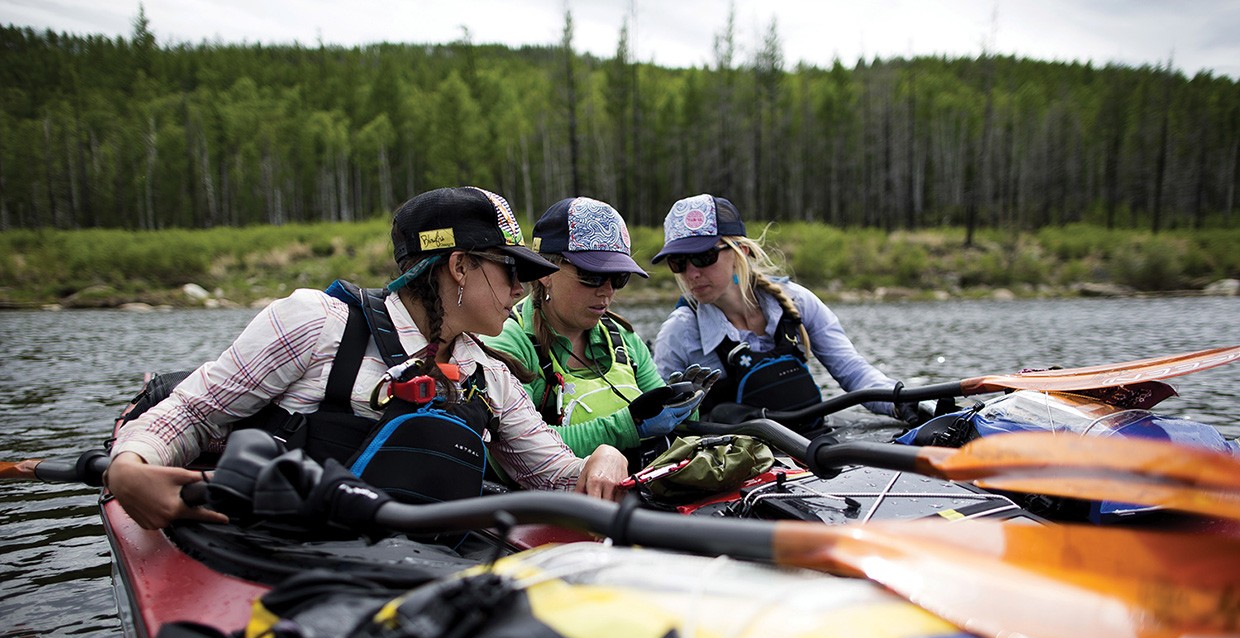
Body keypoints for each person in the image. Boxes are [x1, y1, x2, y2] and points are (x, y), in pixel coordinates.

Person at [107, 186, 630, 530]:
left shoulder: (490, 376)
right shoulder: (316, 322)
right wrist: (129, 469)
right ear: (460, 266)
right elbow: (193, 413)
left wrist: (602, 459)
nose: (522, 288)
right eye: (513, 270)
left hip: (401, 570)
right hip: (280, 552)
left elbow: (556, 477)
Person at [651, 193, 920, 425]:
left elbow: (854, 372)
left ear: (741, 251)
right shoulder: (678, 333)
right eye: (678, 262)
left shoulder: (797, 302)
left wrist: (905, 404)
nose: (692, 273)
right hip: (736, 460)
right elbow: (660, 421)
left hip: (809, 444)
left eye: (703, 257)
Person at [483, 196, 714, 465]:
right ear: (545, 272)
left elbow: (670, 427)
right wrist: (629, 426)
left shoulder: (625, 339)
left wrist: (684, 407)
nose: (607, 291)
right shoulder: (508, 343)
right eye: (592, 276)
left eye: (619, 278)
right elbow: (516, 447)